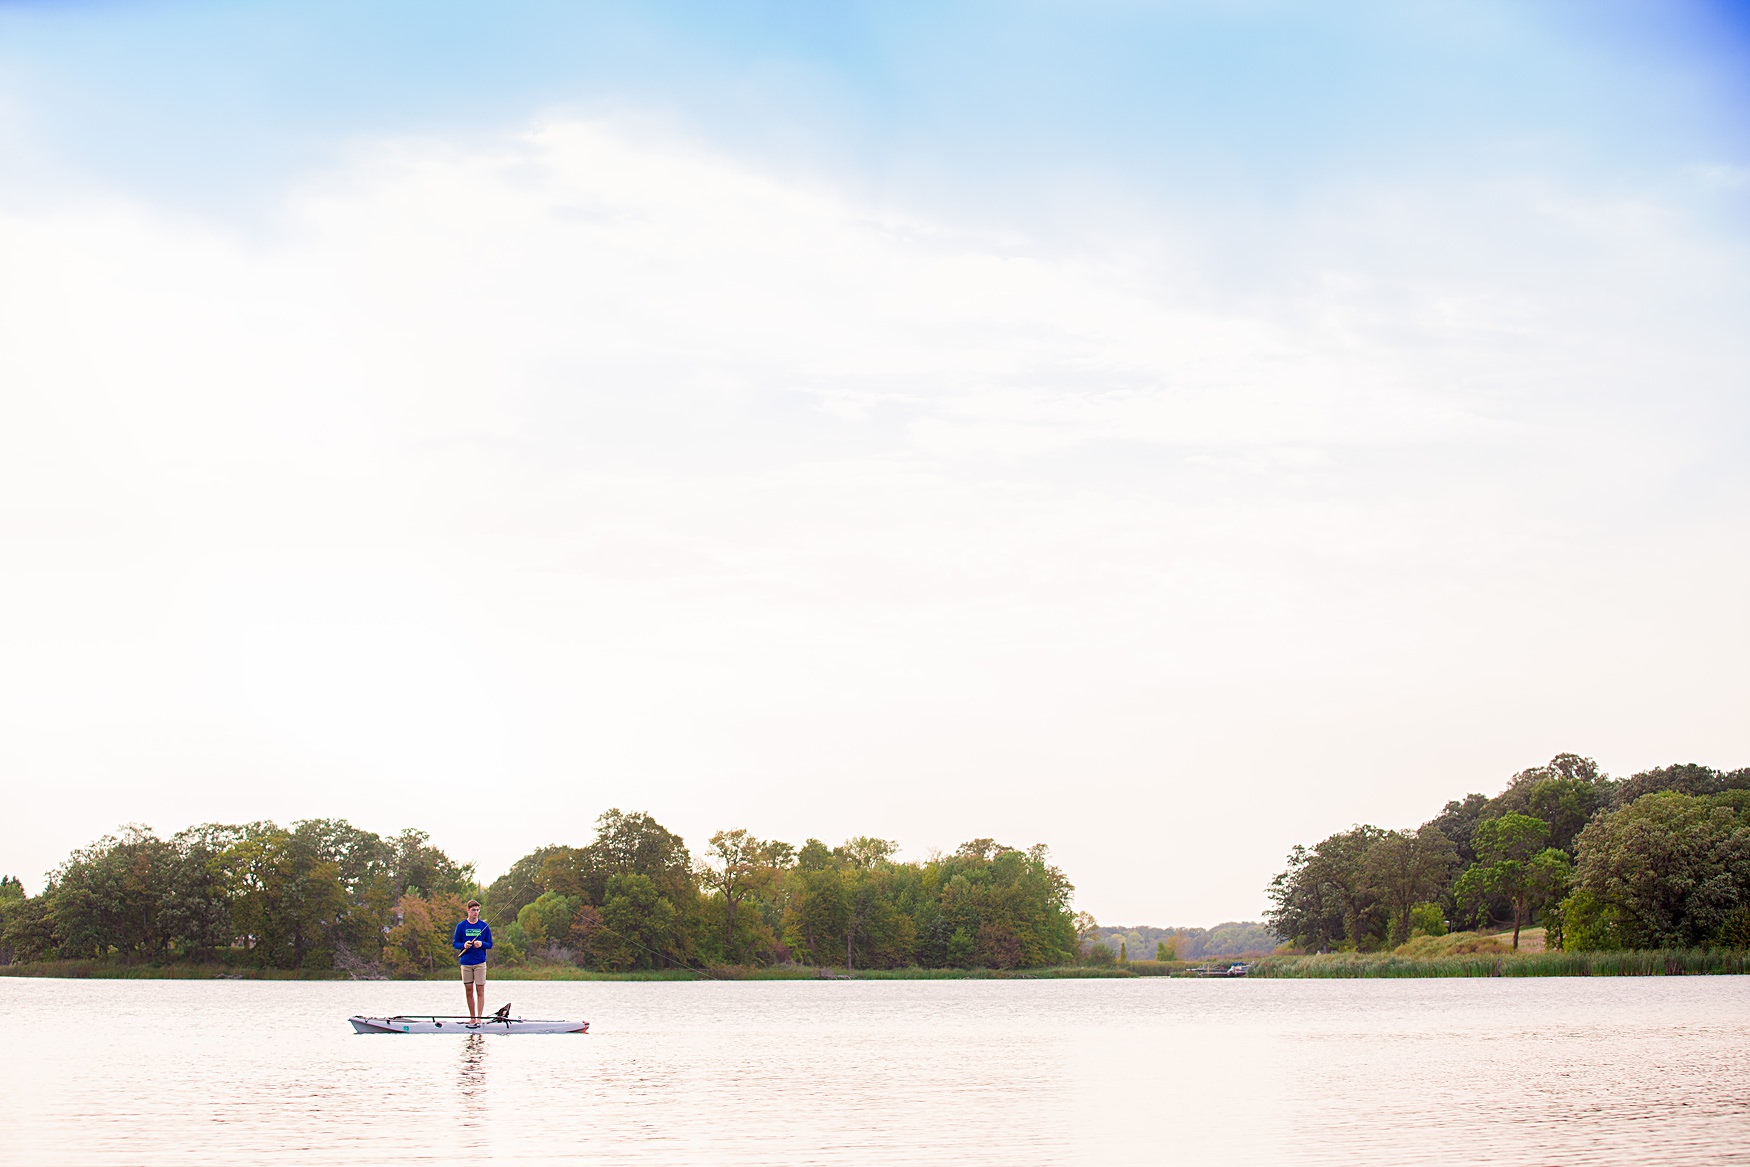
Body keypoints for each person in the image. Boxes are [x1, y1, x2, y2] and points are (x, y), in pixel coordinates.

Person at [453, 899, 493, 1024]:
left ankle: (479, 1019)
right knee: (469, 990)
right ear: (468, 911)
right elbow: (455, 943)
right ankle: (472, 1017)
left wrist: (481, 944)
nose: (475, 912)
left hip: (480, 962)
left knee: (480, 990)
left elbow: (490, 944)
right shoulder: (461, 926)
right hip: (466, 963)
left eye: (477, 910)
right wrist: (464, 945)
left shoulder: (484, 926)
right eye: (473, 910)